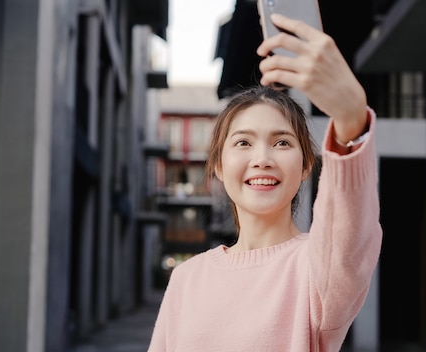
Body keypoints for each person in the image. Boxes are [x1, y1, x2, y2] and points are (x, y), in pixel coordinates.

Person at [148, 14, 382, 351]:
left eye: (282, 142)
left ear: (305, 166)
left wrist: (351, 121)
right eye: (243, 142)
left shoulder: (318, 269)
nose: (262, 158)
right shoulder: (188, 277)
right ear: (218, 164)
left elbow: (349, 234)